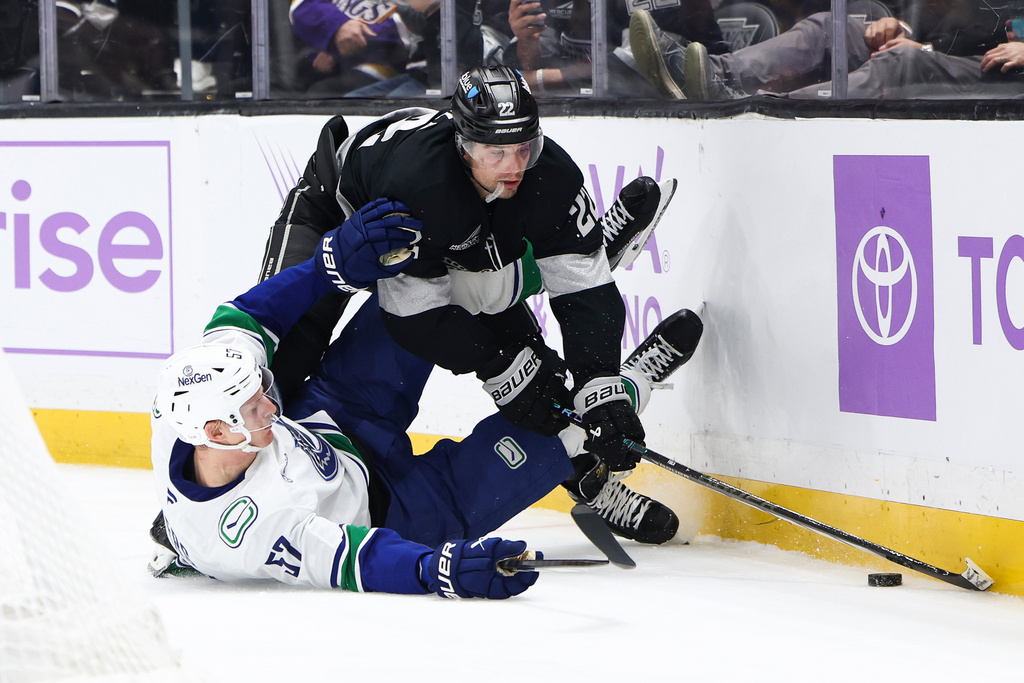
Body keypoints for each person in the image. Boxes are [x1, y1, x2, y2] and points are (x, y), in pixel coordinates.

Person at [260, 65, 681, 544]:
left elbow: (584, 289)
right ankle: (220, 498)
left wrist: (600, 385)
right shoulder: (418, 186)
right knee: (278, 364)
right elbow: (415, 316)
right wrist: (499, 367)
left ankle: (587, 471)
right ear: (462, 144)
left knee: (539, 380)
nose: (515, 165)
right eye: (497, 151)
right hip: (338, 217)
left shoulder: (549, 175)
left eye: (524, 146)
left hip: (446, 233)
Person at [150, 236, 685, 596]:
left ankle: (562, 260)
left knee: (419, 290)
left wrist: (326, 265)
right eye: (253, 407)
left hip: (336, 415)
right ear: (215, 431)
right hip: (401, 512)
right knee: (569, 433)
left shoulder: (184, 395)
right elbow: (358, 559)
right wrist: (435, 570)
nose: (270, 403)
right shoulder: (252, 532)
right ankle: (636, 383)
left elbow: (244, 316)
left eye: (261, 394)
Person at [629, 1, 1024, 100]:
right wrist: (899, 26)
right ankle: (715, 76)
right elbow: (954, 22)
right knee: (830, 27)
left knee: (904, 60)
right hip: (944, 54)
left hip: (1005, 76)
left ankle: (757, 107)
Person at [503, 0, 730, 97]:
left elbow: (648, 63)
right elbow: (524, 65)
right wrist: (527, 41)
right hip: (587, 114)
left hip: (690, 107)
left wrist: (540, 78)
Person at [289, 0, 416, 95]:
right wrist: (337, 26)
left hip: (384, 67)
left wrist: (335, 45)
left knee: (324, 93)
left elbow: (408, 24)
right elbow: (301, 7)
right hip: (329, 62)